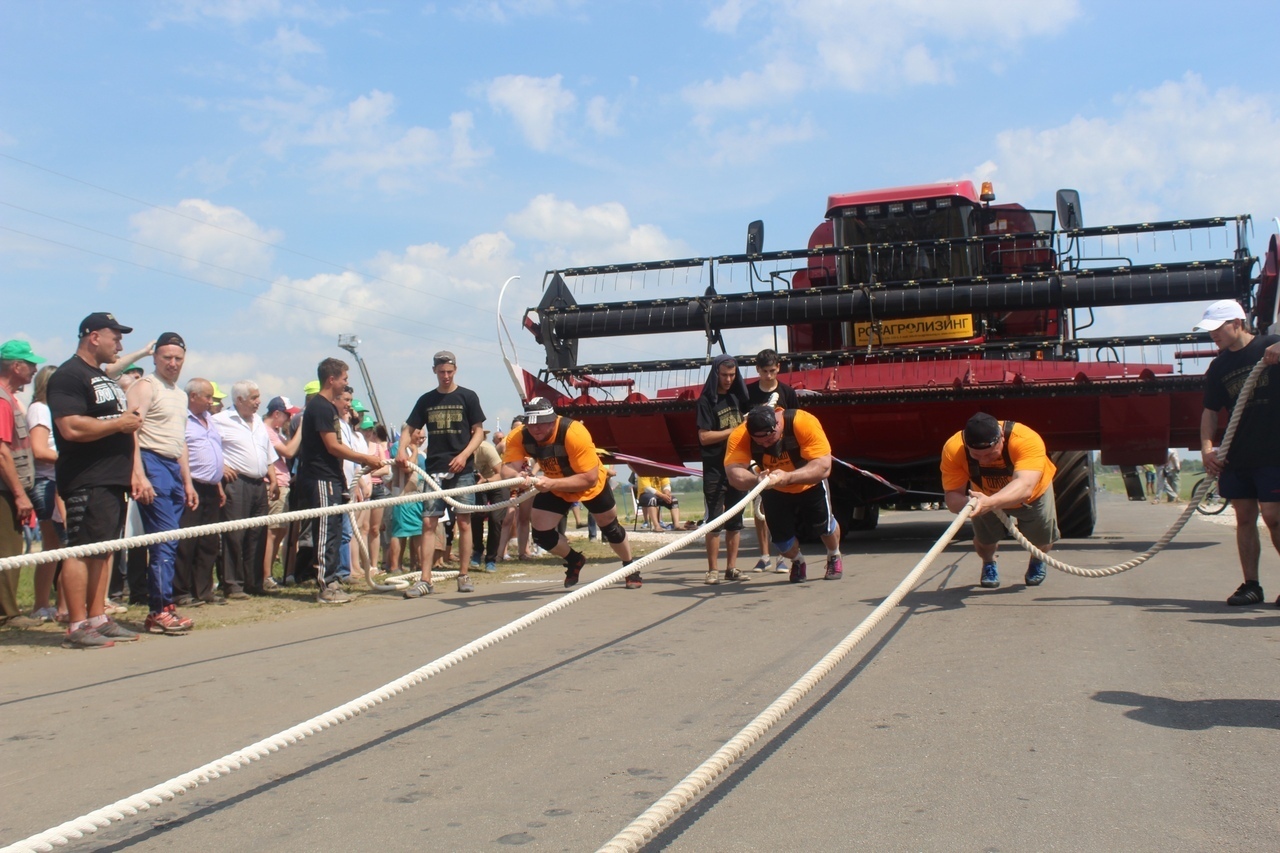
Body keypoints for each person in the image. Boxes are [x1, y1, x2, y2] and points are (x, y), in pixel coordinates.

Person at [47, 313, 145, 648]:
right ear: (93, 337)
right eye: (115, 336)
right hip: (86, 477)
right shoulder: (69, 375)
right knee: (81, 549)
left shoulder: (101, 376)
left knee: (103, 551)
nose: (120, 343)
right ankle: (76, 625)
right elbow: (71, 427)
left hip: (112, 478)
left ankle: (97, 618)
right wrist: (118, 425)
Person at [1194, 299, 1280, 606]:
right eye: (1209, 331)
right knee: (1244, 517)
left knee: (1273, 516)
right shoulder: (1219, 366)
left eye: (1217, 329)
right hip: (1238, 453)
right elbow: (1210, 411)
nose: (1213, 336)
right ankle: (1251, 585)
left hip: (1274, 448)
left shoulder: (1272, 345)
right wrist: (1207, 448)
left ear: (1237, 323)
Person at [500, 397, 637, 589]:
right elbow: (506, 470)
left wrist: (553, 483)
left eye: (541, 424)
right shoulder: (518, 436)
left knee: (611, 528)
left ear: (552, 420)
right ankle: (574, 560)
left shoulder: (573, 432)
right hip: (554, 484)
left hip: (589, 485)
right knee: (541, 534)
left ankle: (629, 566)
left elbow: (589, 477)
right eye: (531, 425)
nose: (535, 429)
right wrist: (518, 475)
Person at [397, 351, 486, 597]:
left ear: (455, 369)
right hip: (434, 469)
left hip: (462, 469)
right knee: (428, 522)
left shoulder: (468, 396)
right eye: (441, 372)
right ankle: (425, 579)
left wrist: (464, 455)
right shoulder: (426, 400)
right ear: (434, 371)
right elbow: (409, 427)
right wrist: (402, 450)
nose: (446, 376)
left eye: (449, 371)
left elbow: (478, 431)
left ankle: (464, 574)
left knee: (464, 522)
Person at [294, 358, 383, 604]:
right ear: (331, 379)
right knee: (325, 531)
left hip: (333, 477)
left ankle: (332, 580)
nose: (346, 384)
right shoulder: (320, 407)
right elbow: (333, 446)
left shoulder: (329, 408)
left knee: (334, 530)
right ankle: (326, 585)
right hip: (321, 477)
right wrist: (365, 458)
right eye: (344, 379)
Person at [127, 332, 198, 631]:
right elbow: (130, 429)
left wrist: (188, 481)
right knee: (164, 539)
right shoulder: (145, 386)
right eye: (167, 357)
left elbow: (179, 440)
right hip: (150, 461)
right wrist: (139, 474)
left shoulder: (180, 394)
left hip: (172, 466)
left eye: (178, 359)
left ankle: (162, 607)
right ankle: (160, 608)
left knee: (171, 539)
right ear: (155, 357)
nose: (172, 363)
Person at [724, 404, 843, 584]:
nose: (765, 445)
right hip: (773, 488)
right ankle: (797, 560)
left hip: (808, 483)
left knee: (824, 527)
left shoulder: (803, 422)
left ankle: (834, 555)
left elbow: (823, 466)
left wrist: (788, 477)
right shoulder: (740, 435)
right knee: (782, 543)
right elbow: (734, 475)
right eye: (759, 442)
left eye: (769, 440)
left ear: (777, 426)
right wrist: (757, 481)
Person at [941, 412, 1059, 589]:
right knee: (984, 541)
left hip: (1033, 495)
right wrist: (970, 504)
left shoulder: (1025, 439)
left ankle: (1037, 558)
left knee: (1042, 537)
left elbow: (1025, 486)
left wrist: (990, 502)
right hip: (982, 497)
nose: (984, 460)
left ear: (1001, 437)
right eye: (976, 455)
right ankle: (989, 562)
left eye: (989, 454)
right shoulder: (954, 448)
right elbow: (952, 498)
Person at [213, 380, 275, 598]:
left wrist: (273, 477)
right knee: (234, 534)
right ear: (239, 400)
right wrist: (220, 465)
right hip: (236, 483)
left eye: (258, 396)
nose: (258, 402)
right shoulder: (219, 420)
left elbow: (267, 452)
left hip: (259, 483)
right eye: (254, 398)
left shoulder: (258, 421)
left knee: (258, 532)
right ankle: (232, 583)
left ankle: (254, 581)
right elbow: (205, 445)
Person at [0, 341, 43, 626]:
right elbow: (3, 452)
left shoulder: (9, 399)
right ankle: (7, 613)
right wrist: (19, 495)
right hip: (5, 489)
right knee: (8, 550)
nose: (34, 370)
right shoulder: (3, 401)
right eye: (30, 364)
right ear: (16, 366)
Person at [697, 354, 750, 583]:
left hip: (738, 466)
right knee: (715, 520)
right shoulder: (706, 401)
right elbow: (704, 437)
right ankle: (712, 570)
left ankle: (732, 568)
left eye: (732, 375)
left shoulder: (739, 398)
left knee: (735, 520)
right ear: (716, 374)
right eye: (724, 375)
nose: (728, 379)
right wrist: (736, 430)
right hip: (715, 469)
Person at [173, 378, 225, 606]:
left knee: (209, 541)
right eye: (207, 396)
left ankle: (203, 590)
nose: (210, 401)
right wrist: (187, 484)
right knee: (186, 541)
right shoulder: (182, 419)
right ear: (193, 396)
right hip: (191, 485)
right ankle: (180, 591)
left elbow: (215, 452)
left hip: (211, 487)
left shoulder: (209, 420)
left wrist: (219, 485)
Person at [747, 349, 798, 573]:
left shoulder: (787, 392)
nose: (769, 375)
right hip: (757, 456)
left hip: (783, 456)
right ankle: (764, 555)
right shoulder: (748, 393)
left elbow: (797, 422)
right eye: (764, 371)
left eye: (773, 370)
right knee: (760, 507)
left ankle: (782, 557)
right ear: (757, 369)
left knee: (783, 508)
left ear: (778, 367)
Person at [24, 364, 62, 622]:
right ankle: (41, 604)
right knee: (52, 545)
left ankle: (58, 603)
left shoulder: (55, 410)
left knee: (59, 546)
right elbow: (39, 450)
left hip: (58, 480)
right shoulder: (40, 409)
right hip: (46, 481)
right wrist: (71, 459)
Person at [262, 395, 300, 589]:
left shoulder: (277, 433)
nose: (288, 419)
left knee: (280, 530)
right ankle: (266, 575)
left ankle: (269, 574)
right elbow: (288, 452)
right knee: (272, 531)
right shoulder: (267, 431)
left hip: (284, 482)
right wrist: (301, 430)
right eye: (286, 415)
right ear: (276, 414)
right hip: (274, 485)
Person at [470, 431, 505, 573]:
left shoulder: (486, 449)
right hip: (478, 485)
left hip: (496, 484)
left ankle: (491, 559)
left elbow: (501, 474)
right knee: (476, 516)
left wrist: (486, 481)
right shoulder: (460, 450)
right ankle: (478, 550)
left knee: (495, 519)